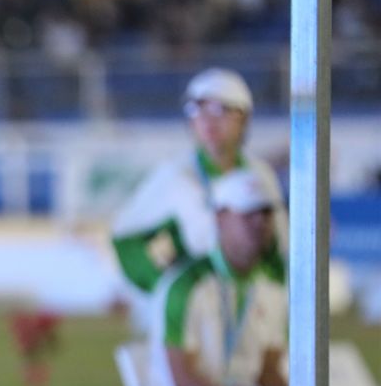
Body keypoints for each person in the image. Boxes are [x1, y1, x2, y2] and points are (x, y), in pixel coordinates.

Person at [147, 167, 354, 386]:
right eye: (248, 213)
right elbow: (184, 380)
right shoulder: (185, 284)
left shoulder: (270, 286)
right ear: (220, 217)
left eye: (266, 213)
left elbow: (268, 371)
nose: (259, 222)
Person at [111, 67, 287, 302]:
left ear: (244, 118)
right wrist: (163, 289)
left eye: (221, 109)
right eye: (197, 109)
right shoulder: (175, 176)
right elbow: (125, 235)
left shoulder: (260, 175)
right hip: (197, 310)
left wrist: (278, 296)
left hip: (254, 305)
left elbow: (280, 249)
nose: (208, 120)